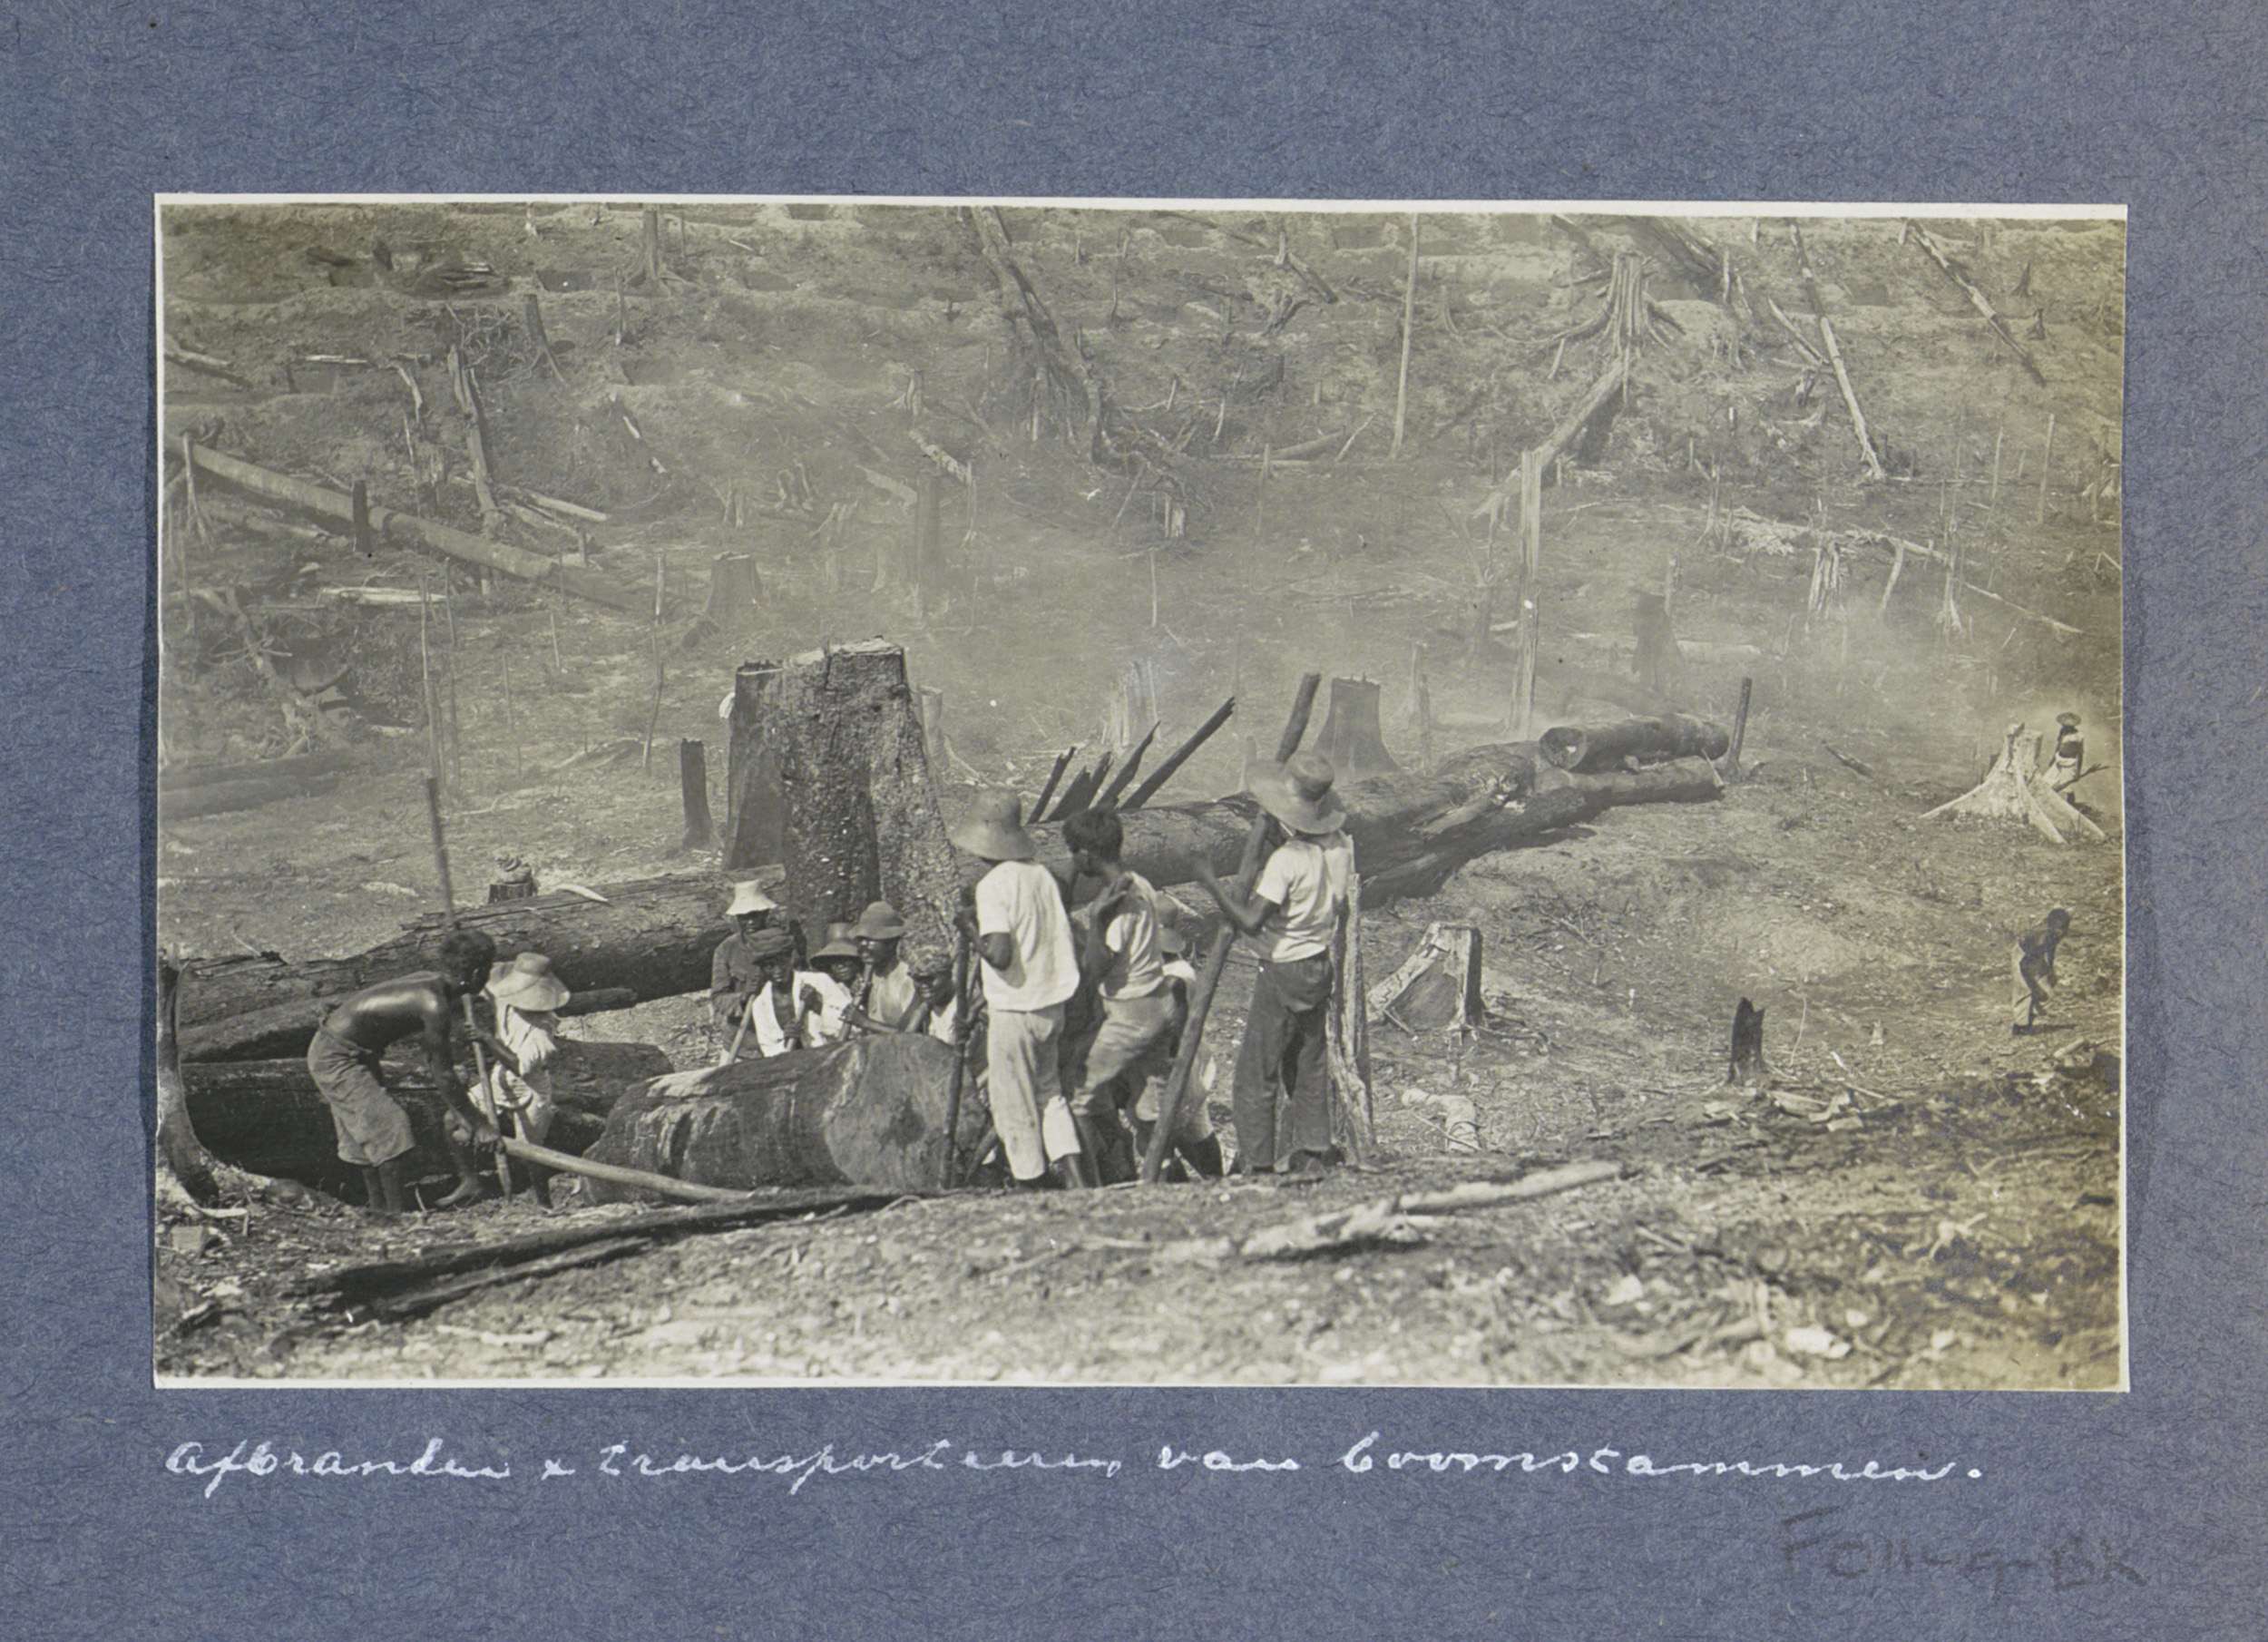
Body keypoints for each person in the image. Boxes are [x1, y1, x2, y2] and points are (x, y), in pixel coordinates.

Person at [1195, 749, 1354, 1181]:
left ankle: (1258, 1162)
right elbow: (1334, 901)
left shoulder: (1288, 860)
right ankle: (1315, 1149)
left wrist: (1210, 883)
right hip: (1317, 965)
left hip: (1283, 969)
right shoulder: (1340, 847)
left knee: (1256, 1072)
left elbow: (1251, 920)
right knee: (1308, 1062)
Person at [303, 928, 501, 1215]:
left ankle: (379, 1211)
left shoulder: (432, 984)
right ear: (477, 973)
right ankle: (394, 1218)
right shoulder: (433, 1004)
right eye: (489, 969)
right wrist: (479, 1123)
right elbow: (442, 1072)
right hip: (336, 1056)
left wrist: (462, 1112)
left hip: (351, 1050)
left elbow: (436, 1062)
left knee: (366, 1132)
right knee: (391, 1127)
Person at [952, 789, 1084, 1188]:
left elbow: (999, 954)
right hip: (1051, 1004)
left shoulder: (992, 886)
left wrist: (970, 928)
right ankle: (1076, 1181)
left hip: (1015, 1009)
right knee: (1049, 1095)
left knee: (1013, 1104)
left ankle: (1031, 1184)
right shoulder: (1041, 876)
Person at [1059, 806, 1175, 1184]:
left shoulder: (1115, 903)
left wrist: (1095, 922)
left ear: (1086, 854)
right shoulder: (1140, 882)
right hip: (1156, 1000)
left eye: (1073, 852)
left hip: (1130, 1010)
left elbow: (1097, 966)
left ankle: (1090, 1185)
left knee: (1078, 1092)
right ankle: (1161, 1177)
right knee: (1149, 1104)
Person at [473, 952, 570, 1207]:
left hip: (530, 1088)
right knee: (453, 1120)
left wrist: (486, 1039)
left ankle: (544, 1203)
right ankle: (470, 1181)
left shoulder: (542, 1032)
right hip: (499, 1079)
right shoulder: (504, 992)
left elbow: (519, 1067)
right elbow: (483, 978)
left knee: (531, 1154)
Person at [1129, 925, 1227, 1179]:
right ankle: (1216, 1180)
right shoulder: (1180, 969)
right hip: (1190, 1063)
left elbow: (1170, 1036)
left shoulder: (1171, 981)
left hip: (1168, 1069)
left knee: (1156, 1138)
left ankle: (1178, 1183)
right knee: (1196, 1129)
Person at [709, 880, 785, 1051]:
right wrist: (743, 997)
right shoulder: (726, 949)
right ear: (737, 918)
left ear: (765, 914)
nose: (750, 922)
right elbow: (718, 998)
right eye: (744, 917)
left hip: (780, 1034)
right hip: (745, 1040)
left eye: (755, 915)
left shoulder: (783, 944)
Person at [845, 900, 925, 1033]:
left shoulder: (907, 979)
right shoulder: (871, 977)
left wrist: (865, 1023)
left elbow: (909, 1036)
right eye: (861, 940)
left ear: (891, 943)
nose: (863, 945)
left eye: (870, 940)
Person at [796, 923, 865, 1048]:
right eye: (834, 961)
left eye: (846, 959)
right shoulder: (830, 987)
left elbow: (859, 1029)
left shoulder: (867, 986)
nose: (840, 966)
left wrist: (819, 1007)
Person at [2012, 908, 2072, 1035]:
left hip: (2035, 955)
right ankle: (2020, 1027)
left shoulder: (2056, 935)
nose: (2061, 932)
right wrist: (2036, 989)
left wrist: (2050, 969)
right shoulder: (2041, 937)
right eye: (2058, 928)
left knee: (2048, 984)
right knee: (2025, 989)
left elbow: (2051, 950)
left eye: (2063, 928)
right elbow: (2024, 966)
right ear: (2050, 926)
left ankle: (2030, 1016)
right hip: (2022, 956)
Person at [2050, 712, 2086, 793]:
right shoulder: (2062, 731)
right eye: (2063, 725)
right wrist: (2052, 759)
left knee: (2064, 788)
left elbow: (2080, 754)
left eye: (2066, 726)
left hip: (2069, 763)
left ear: (2072, 726)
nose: (2063, 726)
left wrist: (2078, 771)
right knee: (2047, 782)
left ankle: (2070, 797)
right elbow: (2058, 745)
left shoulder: (2078, 737)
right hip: (2058, 760)